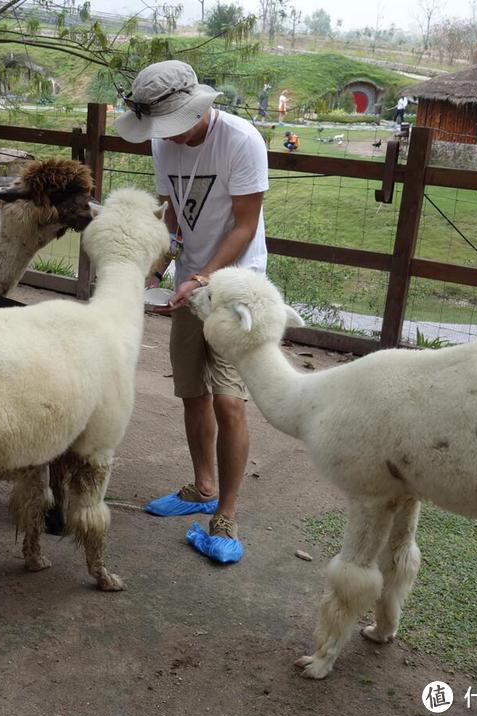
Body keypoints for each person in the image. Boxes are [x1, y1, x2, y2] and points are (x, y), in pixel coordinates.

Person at [115, 60, 269, 564]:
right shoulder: (165, 144)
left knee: (229, 401)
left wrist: (205, 278)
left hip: (235, 287)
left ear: (195, 109)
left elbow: (245, 226)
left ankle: (226, 512)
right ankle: (202, 487)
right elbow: (176, 214)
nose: (166, 137)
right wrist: (156, 268)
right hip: (187, 285)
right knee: (191, 392)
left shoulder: (242, 141)